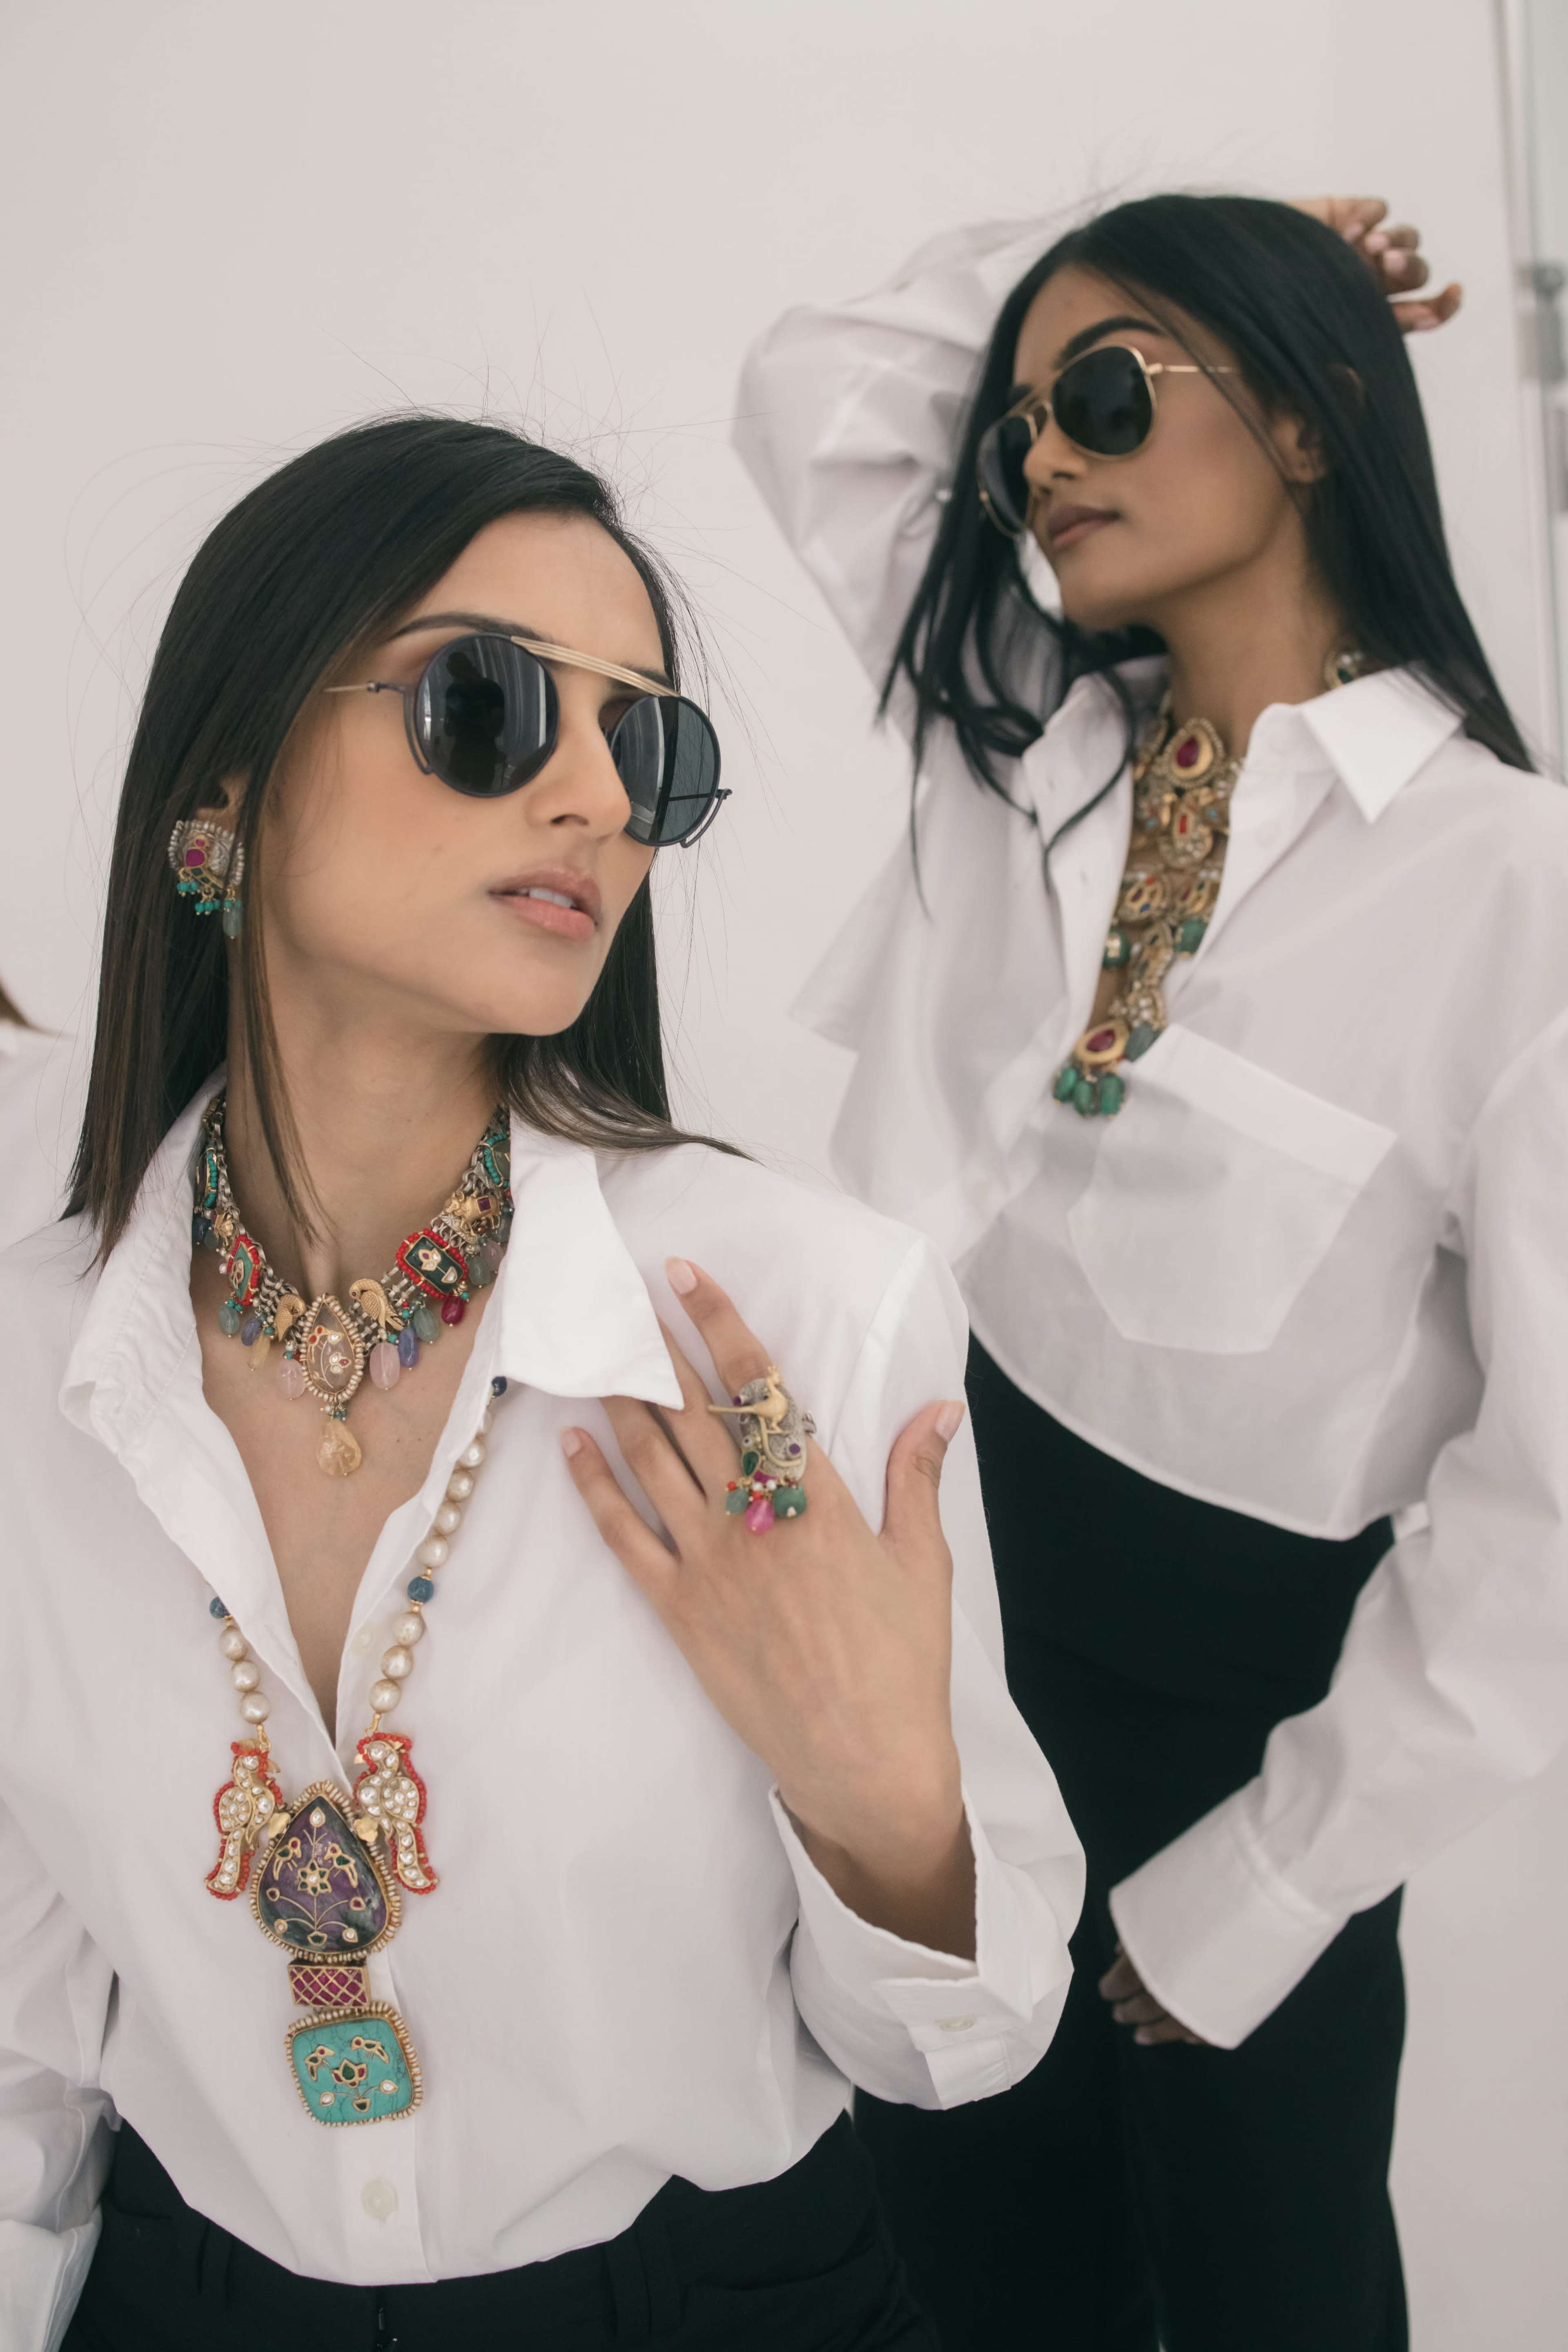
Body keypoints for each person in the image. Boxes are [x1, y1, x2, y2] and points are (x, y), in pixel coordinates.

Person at [0, 416, 1085, 2352]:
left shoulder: (795, 1321)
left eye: (649, 745)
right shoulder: (26, 1368)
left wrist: (881, 1804)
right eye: (490, 705)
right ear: (223, 792)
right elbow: (25, 2033)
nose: (597, 793)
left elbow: (957, 2051)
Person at [736, 192, 1565, 2352]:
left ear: (1306, 422)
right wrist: (1164, 247)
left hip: (1230, 1721)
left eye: (1107, 397)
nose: (1042, 461)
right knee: (955, 2258)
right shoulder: (1016, 730)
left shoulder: (1511, 894)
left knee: (1266, 2294)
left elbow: (1552, 1493)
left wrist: (1279, 1879)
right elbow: (811, 385)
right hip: (917, 1621)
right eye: (1021, 426)